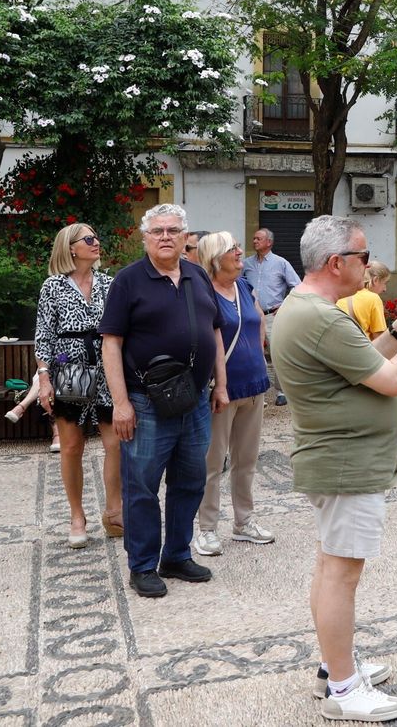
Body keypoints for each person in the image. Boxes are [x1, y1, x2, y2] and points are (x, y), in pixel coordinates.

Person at [273, 215, 397, 722]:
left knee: (332, 565)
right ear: (336, 263)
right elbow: (393, 380)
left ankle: (335, 668)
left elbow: (365, 363)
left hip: (338, 457)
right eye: (363, 257)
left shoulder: (309, 309)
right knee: (342, 574)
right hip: (345, 461)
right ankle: (345, 691)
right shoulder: (322, 316)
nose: (369, 266)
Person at [101, 203, 230, 599]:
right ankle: (142, 565)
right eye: (157, 231)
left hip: (194, 400)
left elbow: (215, 332)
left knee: (189, 481)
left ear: (186, 237)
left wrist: (221, 385)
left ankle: (175, 555)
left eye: (173, 230)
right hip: (145, 402)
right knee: (141, 486)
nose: (165, 237)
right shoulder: (128, 281)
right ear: (145, 237)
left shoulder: (196, 276)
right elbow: (111, 343)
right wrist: (120, 403)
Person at [34, 223, 120, 548]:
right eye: (88, 239)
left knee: (116, 443)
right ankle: (76, 516)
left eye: (97, 237)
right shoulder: (53, 286)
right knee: (72, 446)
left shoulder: (109, 284)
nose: (96, 242)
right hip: (69, 367)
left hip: (108, 367)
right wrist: (44, 378)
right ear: (71, 247)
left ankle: (114, 512)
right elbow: (43, 336)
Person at [193, 231, 275, 557]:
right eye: (233, 249)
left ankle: (244, 522)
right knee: (213, 463)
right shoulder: (204, 294)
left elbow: (258, 321)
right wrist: (219, 383)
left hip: (254, 385)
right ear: (215, 259)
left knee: (247, 460)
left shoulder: (243, 286)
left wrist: (259, 354)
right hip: (221, 392)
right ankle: (207, 530)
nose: (241, 252)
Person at [244, 227, 301, 406]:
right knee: (253, 353)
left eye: (258, 239)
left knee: (277, 352)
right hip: (251, 316)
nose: (254, 241)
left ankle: (281, 391)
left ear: (269, 242)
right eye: (254, 239)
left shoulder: (281, 263)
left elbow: (298, 286)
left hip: (272, 316)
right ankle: (259, 390)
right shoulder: (246, 264)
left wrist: (284, 304)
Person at [337, 261, 391, 341]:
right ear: (375, 280)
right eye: (385, 283)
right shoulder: (373, 298)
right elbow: (379, 338)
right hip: (359, 349)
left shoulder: (342, 294)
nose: (385, 289)